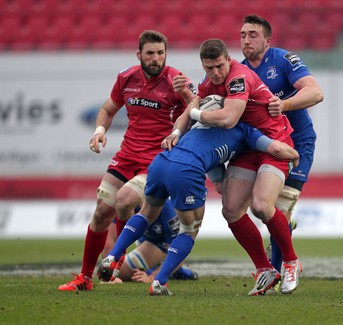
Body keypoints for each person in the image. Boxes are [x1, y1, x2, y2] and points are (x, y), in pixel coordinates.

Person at [97, 100, 300, 296]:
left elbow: (217, 176)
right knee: (188, 230)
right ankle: (160, 281)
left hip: (160, 161)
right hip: (186, 170)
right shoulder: (245, 130)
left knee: (146, 213)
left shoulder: (197, 125)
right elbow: (276, 149)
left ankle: (113, 255)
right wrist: (294, 155)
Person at [58, 30, 195, 291]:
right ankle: (85, 278)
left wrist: (189, 98)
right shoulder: (126, 77)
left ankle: (117, 256)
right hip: (126, 156)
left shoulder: (177, 81)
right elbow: (108, 110)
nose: (156, 58)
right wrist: (99, 131)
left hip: (156, 161)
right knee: (100, 212)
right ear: (139, 55)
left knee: (124, 200)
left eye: (161, 53)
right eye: (150, 53)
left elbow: (195, 112)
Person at [174, 38, 302, 295]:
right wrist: (176, 132)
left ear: (228, 60)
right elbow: (190, 109)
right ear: (204, 65)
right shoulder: (208, 83)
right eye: (209, 68)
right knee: (231, 210)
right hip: (246, 148)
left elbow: (229, 118)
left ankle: (291, 261)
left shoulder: (239, 77)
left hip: (273, 145)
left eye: (220, 66)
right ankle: (265, 269)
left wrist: (197, 114)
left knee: (261, 206)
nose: (216, 73)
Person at [240, 15, 324, 276]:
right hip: (268, 147)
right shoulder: (240, 72)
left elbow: (315, 92)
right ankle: (277, 262)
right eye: (243, 35)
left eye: (253, 35)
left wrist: (285, 104)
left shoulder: (284, 60)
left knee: (279, 210)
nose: (246, 40)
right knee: (265, 209)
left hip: (298, 143)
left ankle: (276, 272)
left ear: (267, 40)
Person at [100, 201, 198, 284]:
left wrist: (152, 276)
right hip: (143, 240)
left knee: (123, 272)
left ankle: (173, 270)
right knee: (117, 271)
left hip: (162, 244)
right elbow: (109, 239)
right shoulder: (124, 203)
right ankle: (173, 271)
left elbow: (180, 251)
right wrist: (108, 272)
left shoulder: (167, 209)